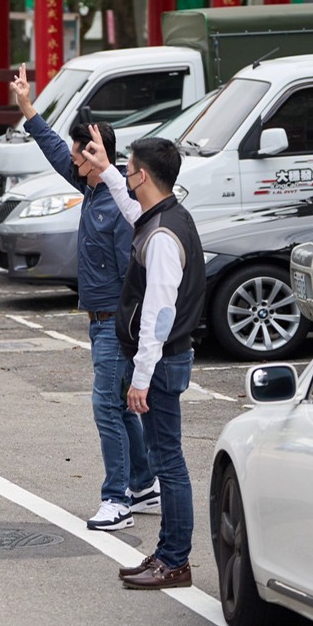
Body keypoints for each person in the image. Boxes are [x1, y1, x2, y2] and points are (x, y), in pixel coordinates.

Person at [8, 64, 155, 533]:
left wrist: (129, 330)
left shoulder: (113, 207)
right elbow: (54, 151)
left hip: (114, 322)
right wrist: (27, 108)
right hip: (99, 320)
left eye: (80, 155)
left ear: (96, 157)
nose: (72, 161)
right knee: (117, 403)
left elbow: (137, 276)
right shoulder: (91, 189)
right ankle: (143, 481)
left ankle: (118, 500)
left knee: (105, 406)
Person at [82, 134, 204, 591]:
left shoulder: (163, 237)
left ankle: (175, 561)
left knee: (168, 463)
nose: (127, 177)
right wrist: (107, 170)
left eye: (129, 170)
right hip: (165, 360)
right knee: (164, 457)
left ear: (145, 176)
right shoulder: (164, 217)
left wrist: (140, 377)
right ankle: (168, 553)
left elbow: (159, 315)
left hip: (163, 361)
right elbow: (135, 213)